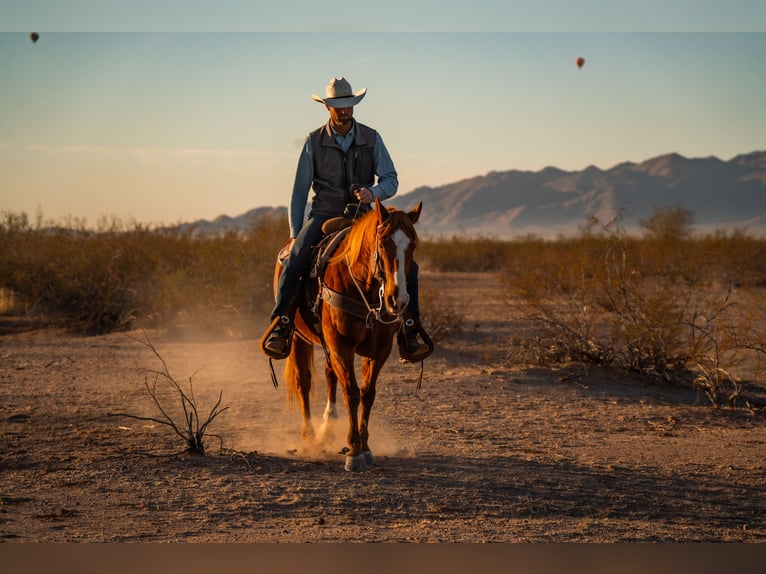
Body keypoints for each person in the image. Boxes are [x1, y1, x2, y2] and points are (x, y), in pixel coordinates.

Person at [261, 76, 430, 362]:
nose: (344, 110)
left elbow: (391, 179)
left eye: (348, 105)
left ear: (354, 105)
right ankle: (282, 324)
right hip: (324, 213)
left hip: (365, 217)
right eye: (338, 106)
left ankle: (409, 329)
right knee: (296, 257)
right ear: (327, 107)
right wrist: (294, 231)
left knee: (408, 265)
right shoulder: (313, 142)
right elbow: (299, 192)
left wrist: (372, 192)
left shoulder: (372, 138)